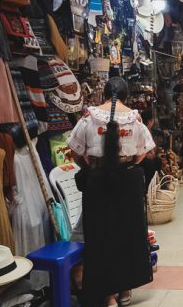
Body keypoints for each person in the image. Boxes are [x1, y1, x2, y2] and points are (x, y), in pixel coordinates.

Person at [67, 77, 155, 306]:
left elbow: (75, 150)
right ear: (125, 96)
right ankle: (125, 290)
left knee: (100, 237)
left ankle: (108, 298)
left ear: (104, 94)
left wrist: (91, 167)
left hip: (97, 183)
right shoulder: (134, 117)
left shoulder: (89, 116)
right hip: (128, 182)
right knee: (127, 234)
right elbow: (142, 152)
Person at [139, 111, 162, 195]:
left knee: (157, 161)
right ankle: (147, 190)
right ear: (150, 121)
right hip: (139, 157)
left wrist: (151, 153)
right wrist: (147, 155)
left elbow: (151, 148)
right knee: (150, 164)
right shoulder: (142, 129)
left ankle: (154, 186)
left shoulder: (148, 130)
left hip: (145, 155)